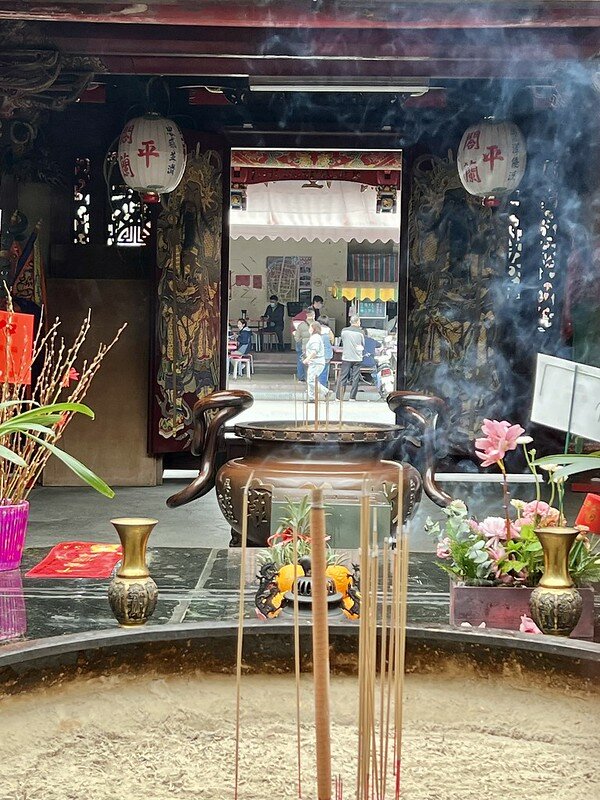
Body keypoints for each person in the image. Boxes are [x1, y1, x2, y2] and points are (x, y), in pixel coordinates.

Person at [336, 314, 364, 401]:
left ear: (350, 322)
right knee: (355, 378)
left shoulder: (344, 331)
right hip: (357, 357)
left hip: (346, 357)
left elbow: (343, 341)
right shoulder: (361, 332)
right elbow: (363, 344)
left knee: (343, 377)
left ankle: (339, 397)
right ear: (358, 322)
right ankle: (352, 397)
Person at [303, 321, 333, 401]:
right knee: (311, 379)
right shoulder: (316, 337)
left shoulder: (315, 338)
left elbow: (315, 351)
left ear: (313, 328)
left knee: (311, 380)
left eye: (310, 327)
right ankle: (311, 397)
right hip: (315, 362)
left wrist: (308, 358)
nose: (309, 329)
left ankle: (326, 392)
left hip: (316, 362)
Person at [292, 306, 315, 381]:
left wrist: (301, 341)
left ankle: (301, 377)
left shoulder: (301, 325)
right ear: (313, 315)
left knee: (300, 360)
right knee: (312, 362)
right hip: (313, 347)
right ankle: (311, 378)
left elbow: (296, 337)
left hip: (302, 345)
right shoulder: (316, 325)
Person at [318, 314, 334, 387]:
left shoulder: (316, 330)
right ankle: (323, 386)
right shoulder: (329, 331)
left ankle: (317, 386)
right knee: (325, 371)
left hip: (317, 354)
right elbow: (332, 342)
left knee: (317, 371)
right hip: (327, 354)